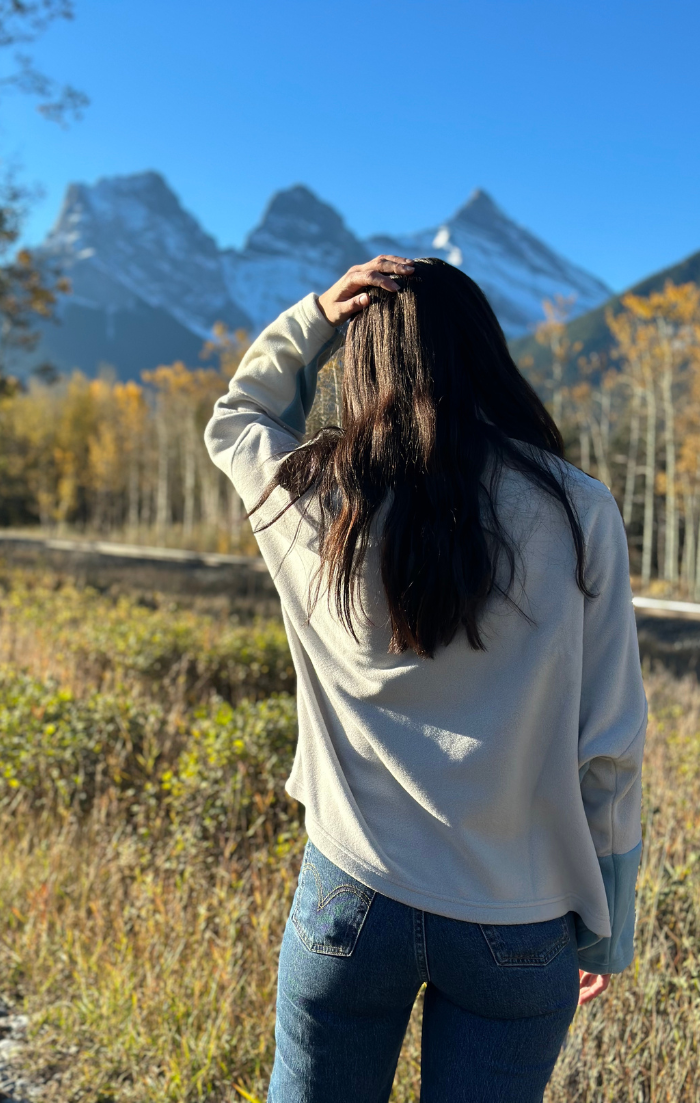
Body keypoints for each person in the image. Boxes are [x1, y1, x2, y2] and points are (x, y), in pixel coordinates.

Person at [204, 256, 647, 1103]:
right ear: (484, 351)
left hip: (351, 897)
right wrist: (604, 930)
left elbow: (237, 416)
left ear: (356, 361)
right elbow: (613, 746)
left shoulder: (310, 494)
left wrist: (316, 315)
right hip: (519, 919)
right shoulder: (575, 508)